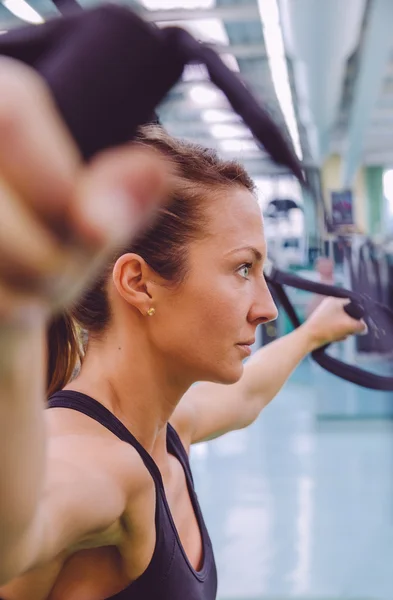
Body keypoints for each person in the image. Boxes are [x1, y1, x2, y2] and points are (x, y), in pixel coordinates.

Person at [0, 59, 366, 600]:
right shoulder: (93, 462)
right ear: (139, 283)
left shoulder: (166, 429)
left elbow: (248, 394)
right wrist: (15, 324)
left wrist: (314, 332)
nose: (267, 309)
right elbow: (17, 536)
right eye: (243, 269)